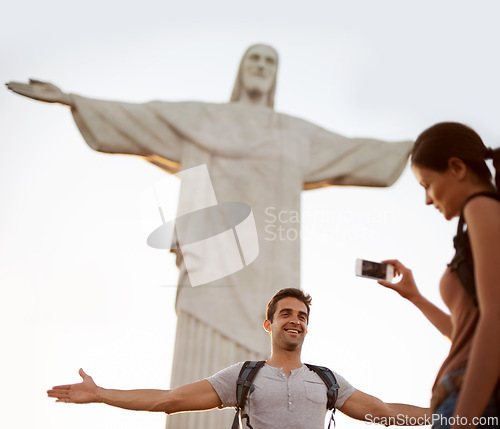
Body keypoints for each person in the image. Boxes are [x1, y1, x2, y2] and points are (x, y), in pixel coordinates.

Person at [6, 44, 412, 429]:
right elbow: (141, 118)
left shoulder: (294, 134)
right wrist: (73, 100)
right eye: (253, 58)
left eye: (269, 61)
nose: (260, 66)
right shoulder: (202, 118)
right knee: (199, 362)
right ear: (270, 323)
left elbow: (358, 152)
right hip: (212, 263)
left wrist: (462, 414)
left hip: (271, 260)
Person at [47, 287, 430, 428]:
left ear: (307, 328)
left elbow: (383, 411)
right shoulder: (243, 377)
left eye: (301, 316)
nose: (294, 320)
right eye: (286, 313)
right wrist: (101, 394)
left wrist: (451, 415)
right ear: (269, 324)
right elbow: (168, 401)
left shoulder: (328, 380)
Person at [377, 122, 500, 429]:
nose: (428, 200)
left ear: (457, 167)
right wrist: (415, 297)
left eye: (427, 185)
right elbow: (465, 335)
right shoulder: (476, 223)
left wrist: (464, 419)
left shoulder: (481, 206)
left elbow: (496, 318)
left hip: (470, 403)